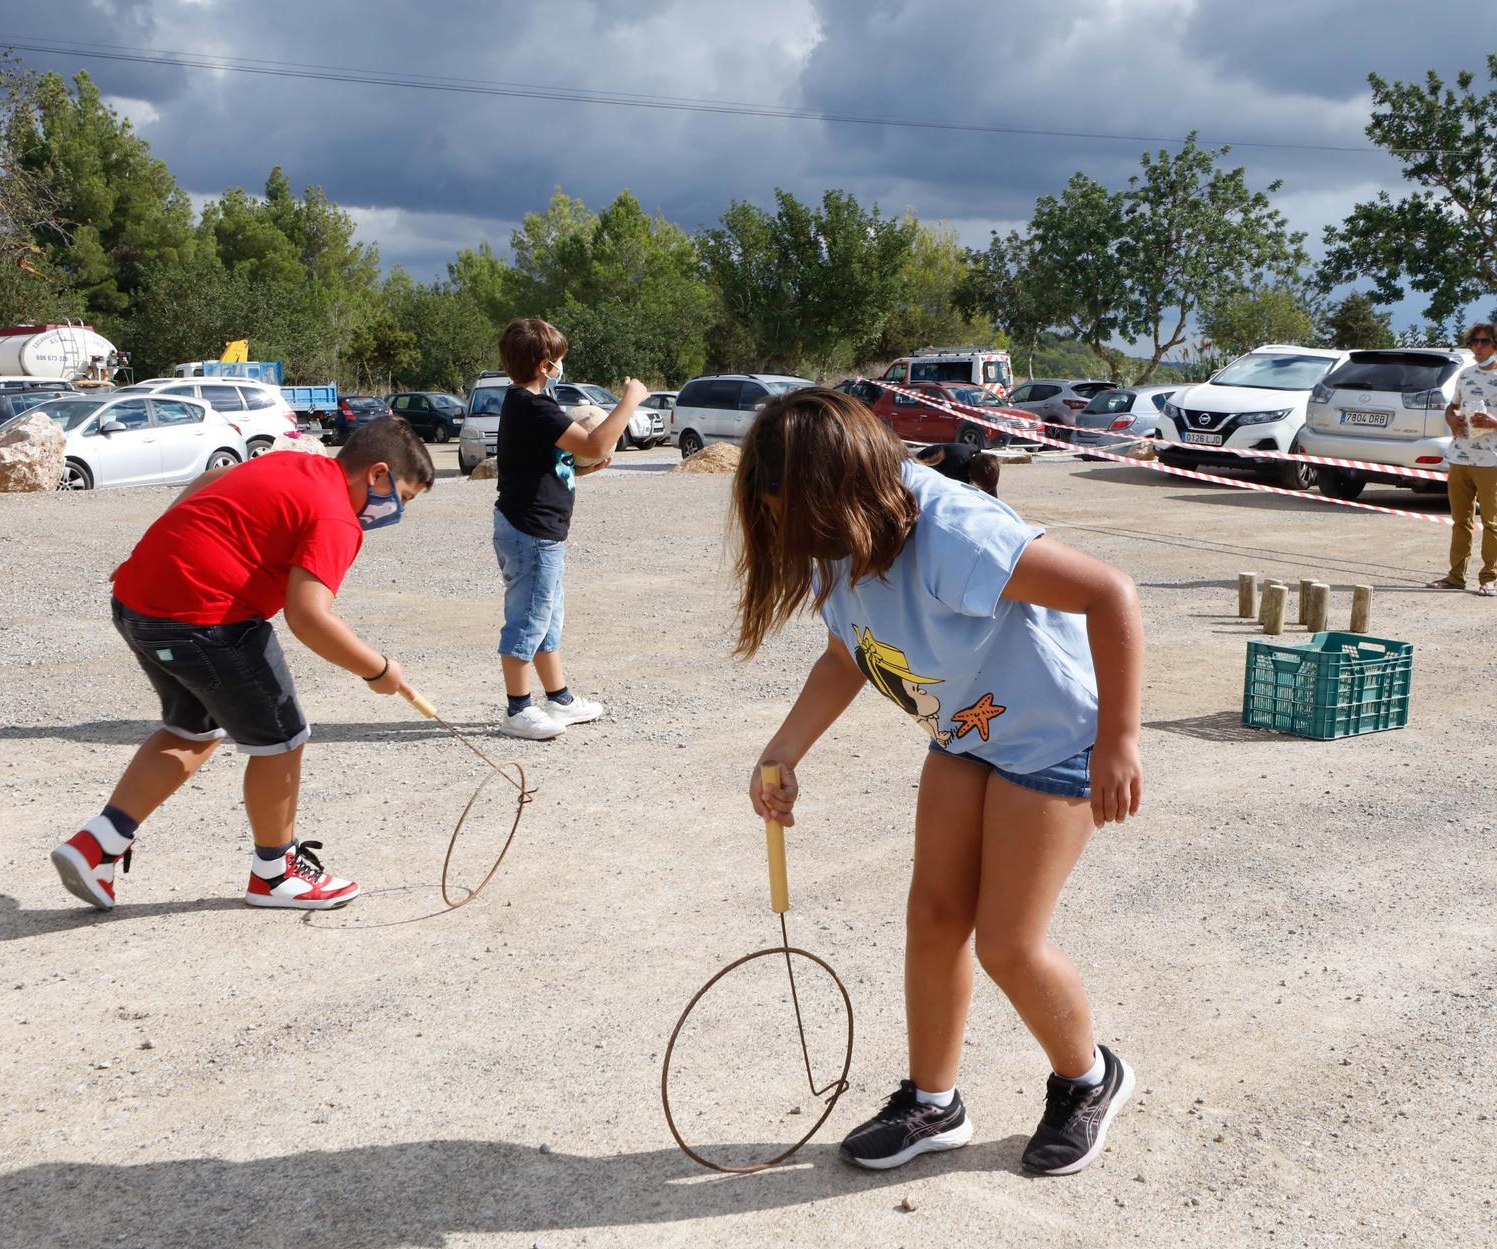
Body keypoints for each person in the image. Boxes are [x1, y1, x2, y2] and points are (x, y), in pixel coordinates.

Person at [732, 387, 1145, 1177]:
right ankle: (933, 1100)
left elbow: (1109, 593)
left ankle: (1089, 1078)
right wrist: (783, 749)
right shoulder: (833, 540)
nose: (781, 528)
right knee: (933, 914)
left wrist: (1119, 743)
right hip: (968, 732)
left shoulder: (954, 533)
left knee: (1008, 943)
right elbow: (847, 653)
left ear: (837, 491)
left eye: (790, 511)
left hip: (1057, 738)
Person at [50, 418, 434, 913]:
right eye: (402, 497)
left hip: (137, 603)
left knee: (192, 730)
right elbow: (309, 615)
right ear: (378, 474)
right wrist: (378, 670)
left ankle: (96, 846)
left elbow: (209, 483)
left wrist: (163, 545)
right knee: (281, 738)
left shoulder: (294, 463)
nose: (394, 513)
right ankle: (276, 873)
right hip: (206, 620)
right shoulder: (336, 516)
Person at [489, 317, 648, 739]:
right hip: (531, 532)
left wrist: (587, 470)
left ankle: (558, 699)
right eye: (558, 360)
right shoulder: (533, 406)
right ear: (544, 365)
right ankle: (517, 710)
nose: (561, 366)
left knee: (546, 618)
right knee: (527, 620)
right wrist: (630, 400)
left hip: (538, 529)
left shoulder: (524, 404)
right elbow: (595, 442)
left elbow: (550, 464)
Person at [1434, 323, 1497, 596]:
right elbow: (1452, 408)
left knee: (1491, 522)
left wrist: (1496, 422)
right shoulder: (1465, 375)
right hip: (1460, 458)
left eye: (1483, 342)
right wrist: (1452, 419)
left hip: (1491, 462)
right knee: (1460, 521)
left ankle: (1488, 578)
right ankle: (1455, 576)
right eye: (1473, 342)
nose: (1477, 347)